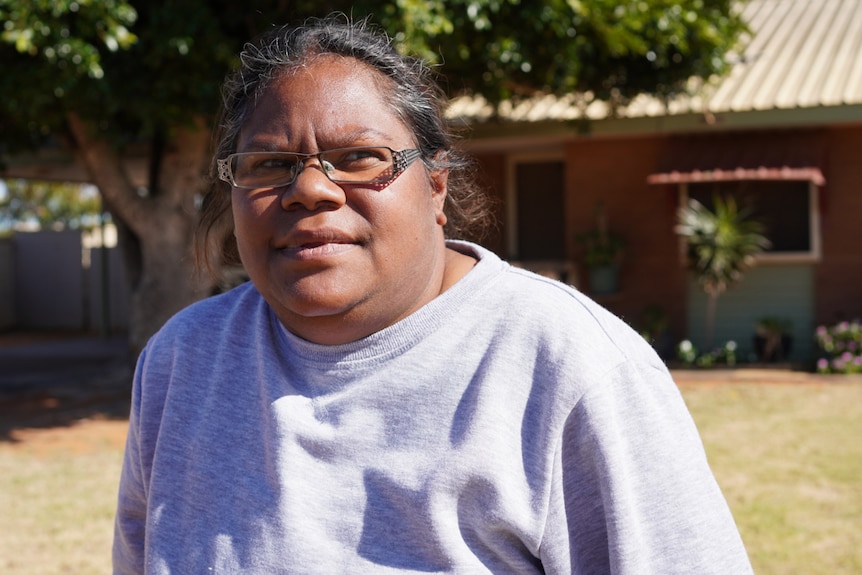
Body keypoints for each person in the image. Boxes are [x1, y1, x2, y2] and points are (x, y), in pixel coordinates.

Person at [113, 15, 753, 575]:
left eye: (360, 156)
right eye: (268, 164)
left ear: (436, 185)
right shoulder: (182, 362)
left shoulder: (568, 366)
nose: (308, 189)